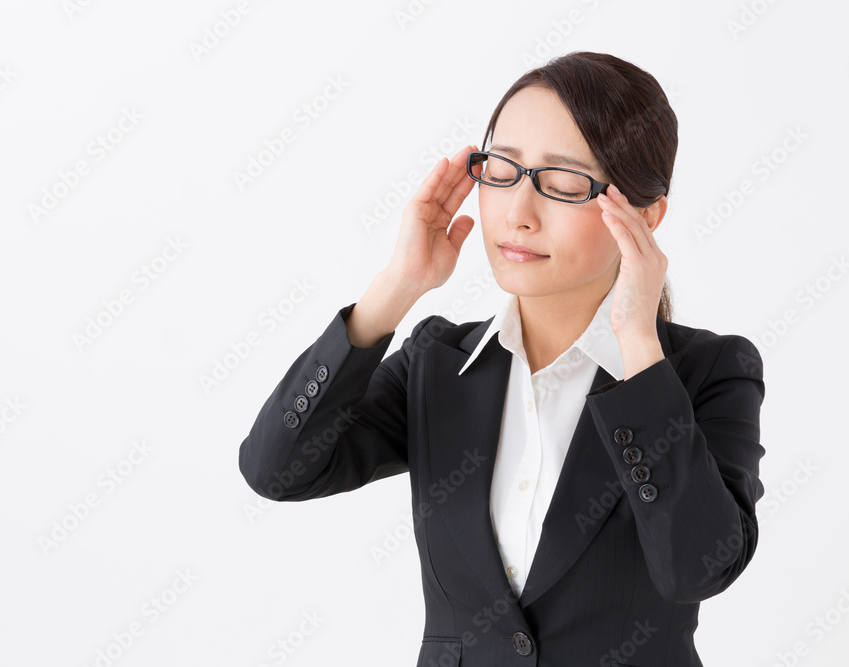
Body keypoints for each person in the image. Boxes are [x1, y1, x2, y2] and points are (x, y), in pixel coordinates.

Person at [238, 51, 765, 667]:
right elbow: (276, 469)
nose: (518, 214)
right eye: (503, 171)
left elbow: (699, 568)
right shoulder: (439, 364)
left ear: (646, 216)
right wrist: (397, 287)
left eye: (564, 184)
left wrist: (639, 347)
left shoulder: (707, 372)